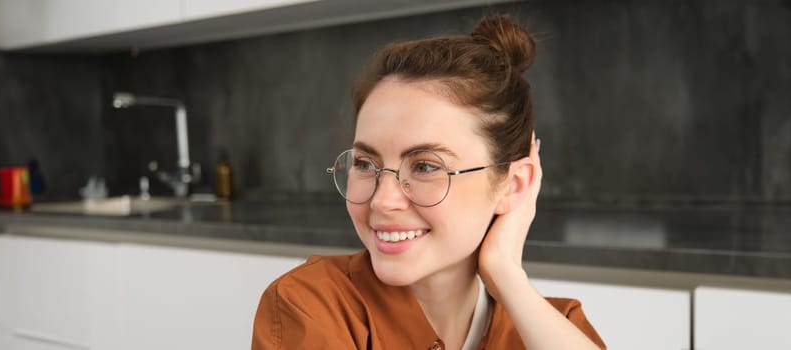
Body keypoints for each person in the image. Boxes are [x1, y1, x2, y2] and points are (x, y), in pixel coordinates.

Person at [252, 14, 606, 350]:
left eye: (424, 167)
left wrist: (506, 274)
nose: (382, 201)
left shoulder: (553, 326)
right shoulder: (310, 305)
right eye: (364, 163)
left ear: (513, 186)